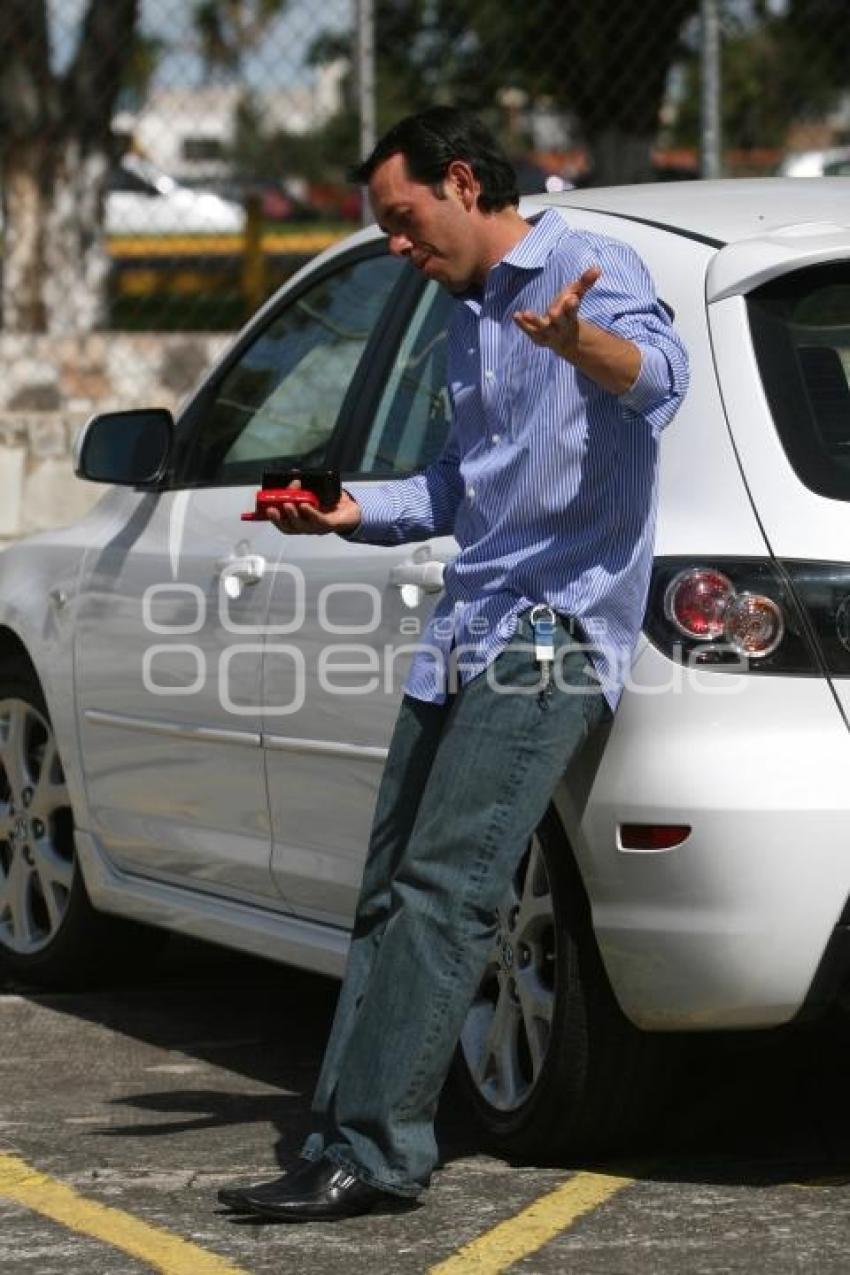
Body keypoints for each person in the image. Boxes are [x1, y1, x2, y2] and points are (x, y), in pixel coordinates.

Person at [218, 107, 689, 1223]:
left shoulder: (586, 266)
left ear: (465, 183)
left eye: (401, 218)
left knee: (445, 894)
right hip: (465, 630)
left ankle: (377, 1156)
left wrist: (580, 342)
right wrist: (345, 510)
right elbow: (450, 489)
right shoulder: (462, 320)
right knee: (387, 893)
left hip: (551, 634)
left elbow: (660, 379)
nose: (395, 245)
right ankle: (334, 1134)